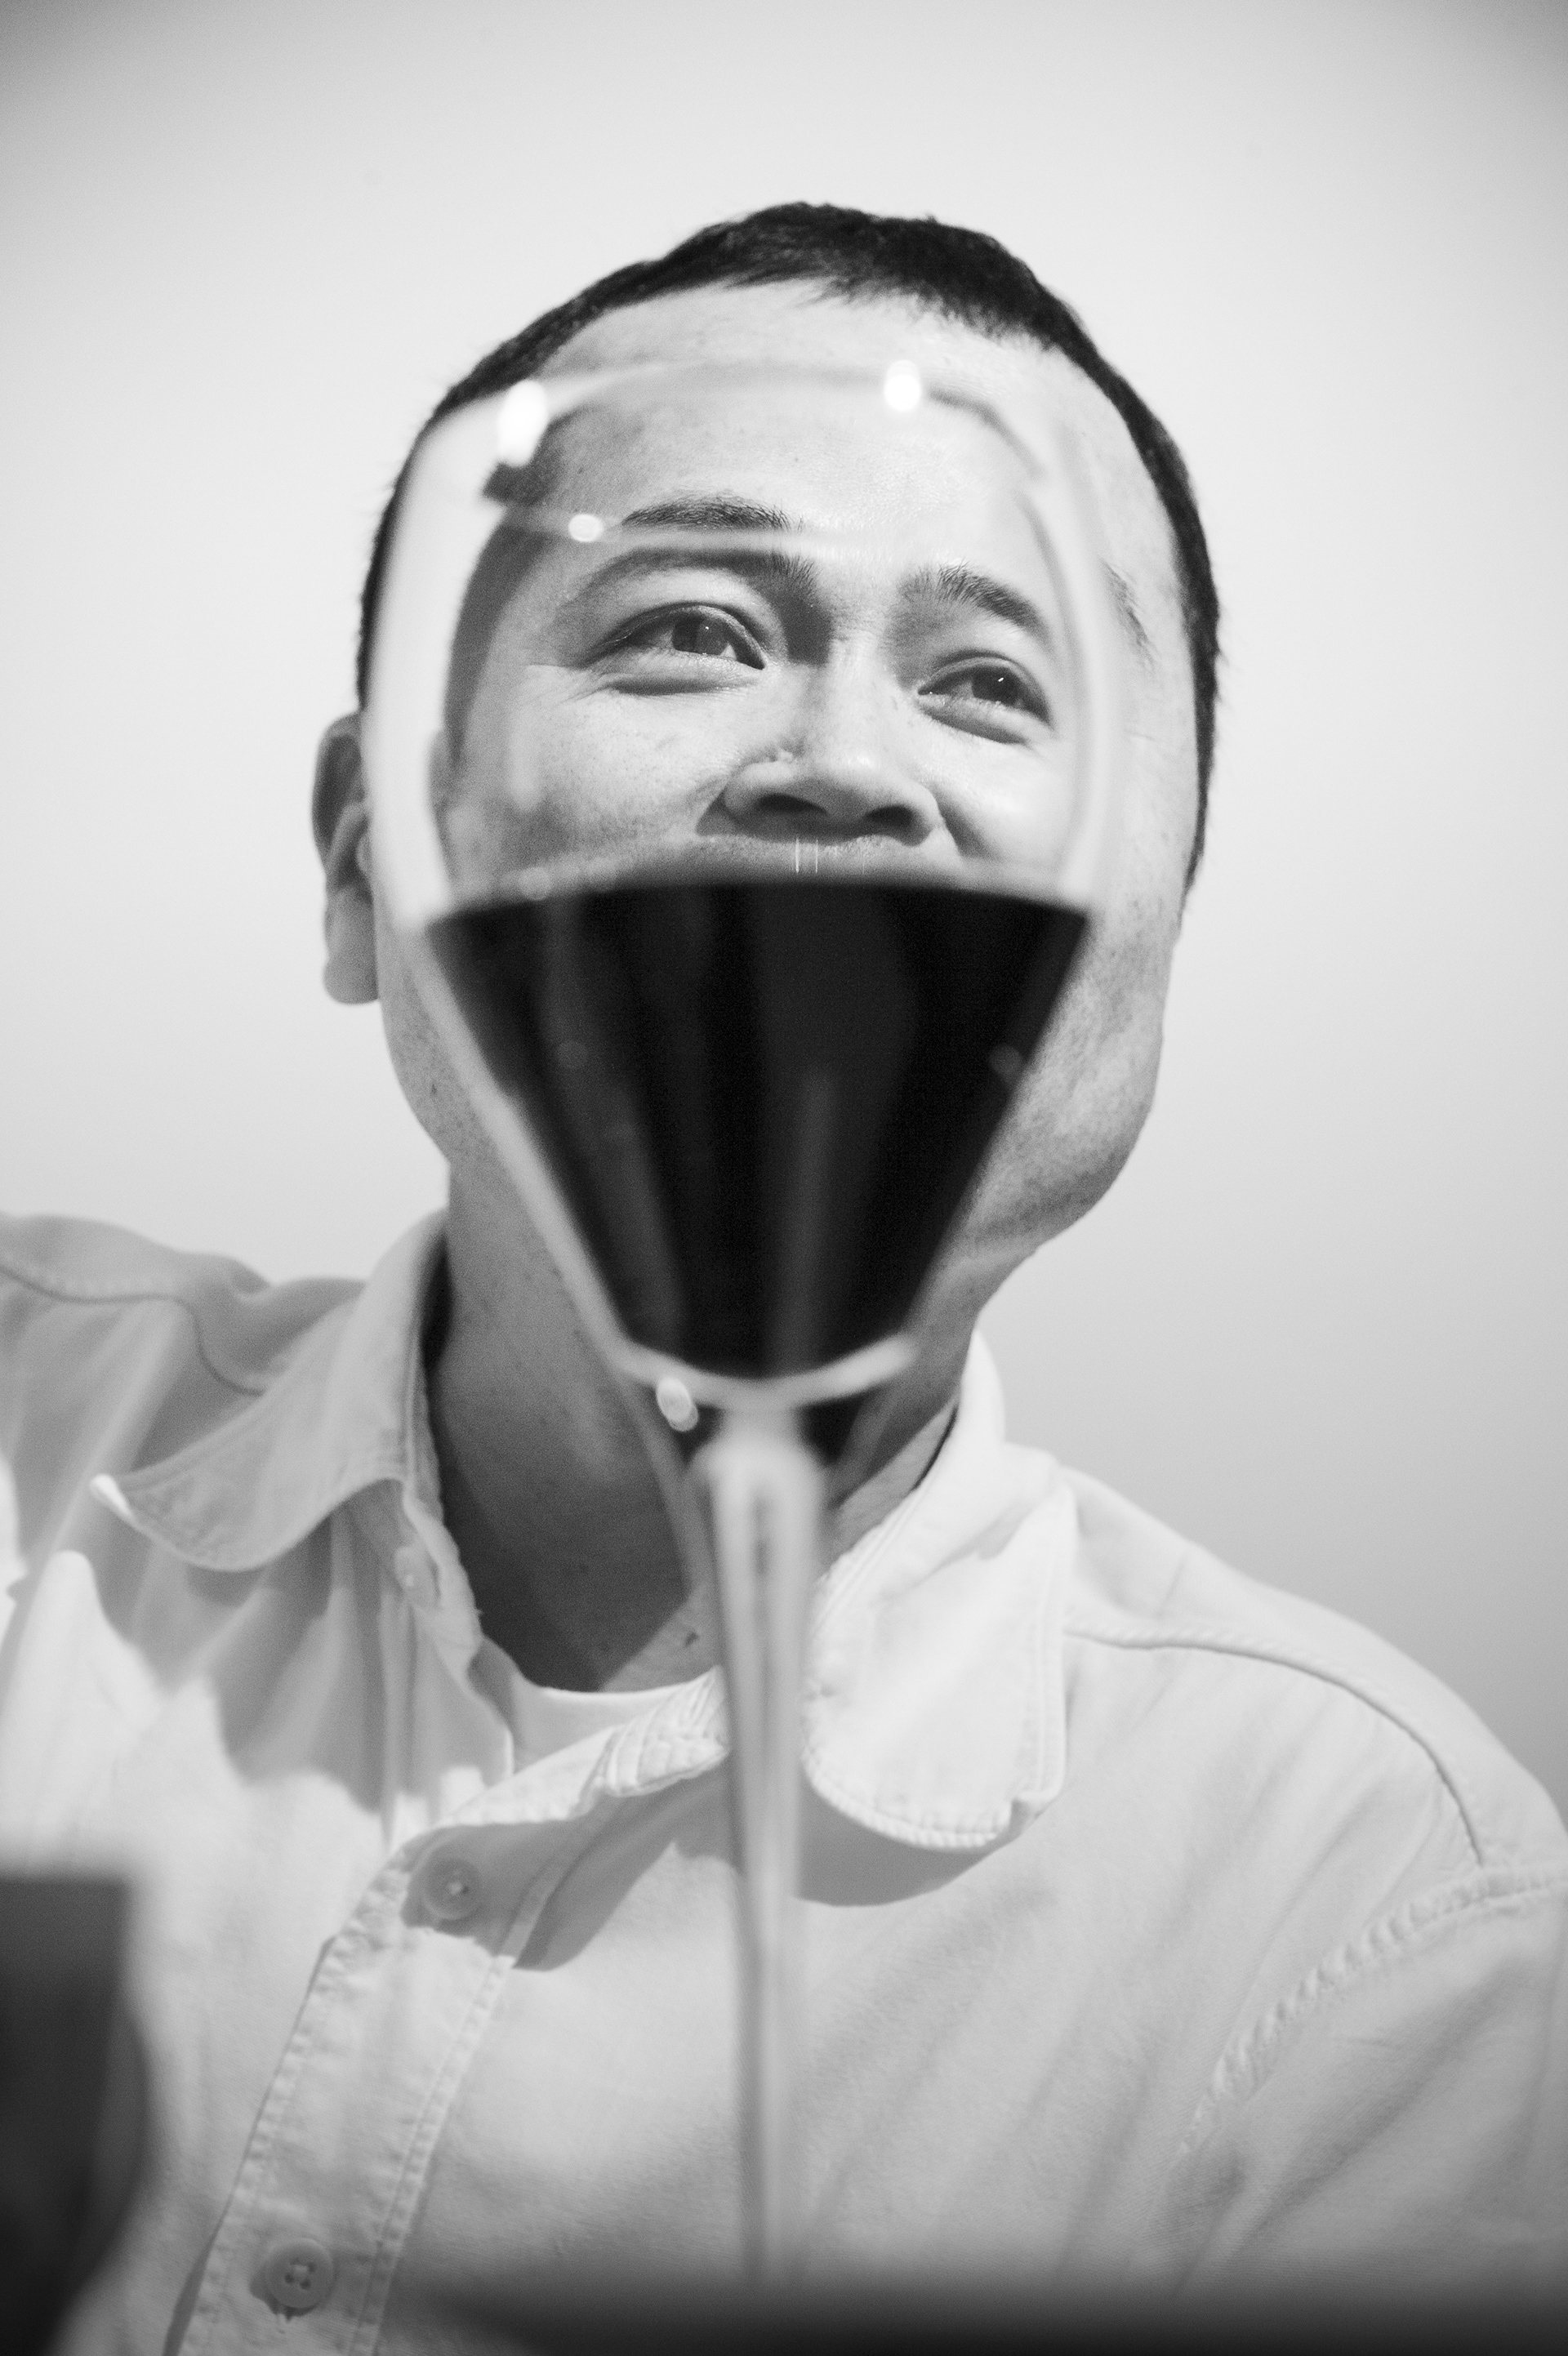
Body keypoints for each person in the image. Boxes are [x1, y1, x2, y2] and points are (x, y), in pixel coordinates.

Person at [1, 205, 1563, 2351]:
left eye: (995, 683)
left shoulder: (1385, 1918)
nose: (842, 761)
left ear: (1157, 947)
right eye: (686, 630)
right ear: (369, 863)